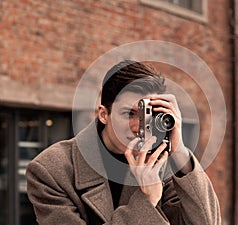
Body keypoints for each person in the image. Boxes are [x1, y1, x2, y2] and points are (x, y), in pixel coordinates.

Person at [26, 60, 221, 224]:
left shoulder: (162, 161)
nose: (139, 126)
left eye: (148, 115)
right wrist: (146, 200)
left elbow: (207, 221)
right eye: (129, 114)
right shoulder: (51, 170)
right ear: (103, 114)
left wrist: (179, 151)